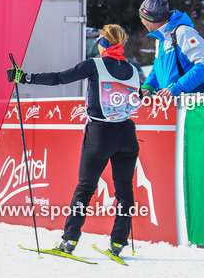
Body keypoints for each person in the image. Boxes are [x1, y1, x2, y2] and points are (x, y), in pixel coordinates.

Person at [8, 24, 140, 258]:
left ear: (105, 44)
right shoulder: (132, 69)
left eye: (100, 39)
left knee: (85, 189)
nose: (98, 43)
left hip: (100, 133)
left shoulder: (94, 65)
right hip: (127, 134)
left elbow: (60, 78)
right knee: (124, 191)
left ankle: (69, 240)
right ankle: (118, 243)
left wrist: (25, 78)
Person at [137, 0, 204, 99]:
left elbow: (202, 64)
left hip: (194, 105)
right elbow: (158, 68)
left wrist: (177, 87)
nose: (141, 21)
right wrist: (149, 86)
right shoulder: (161, 38)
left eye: (142, 17)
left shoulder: (183, 33)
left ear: (151, 20)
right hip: (174, 106)